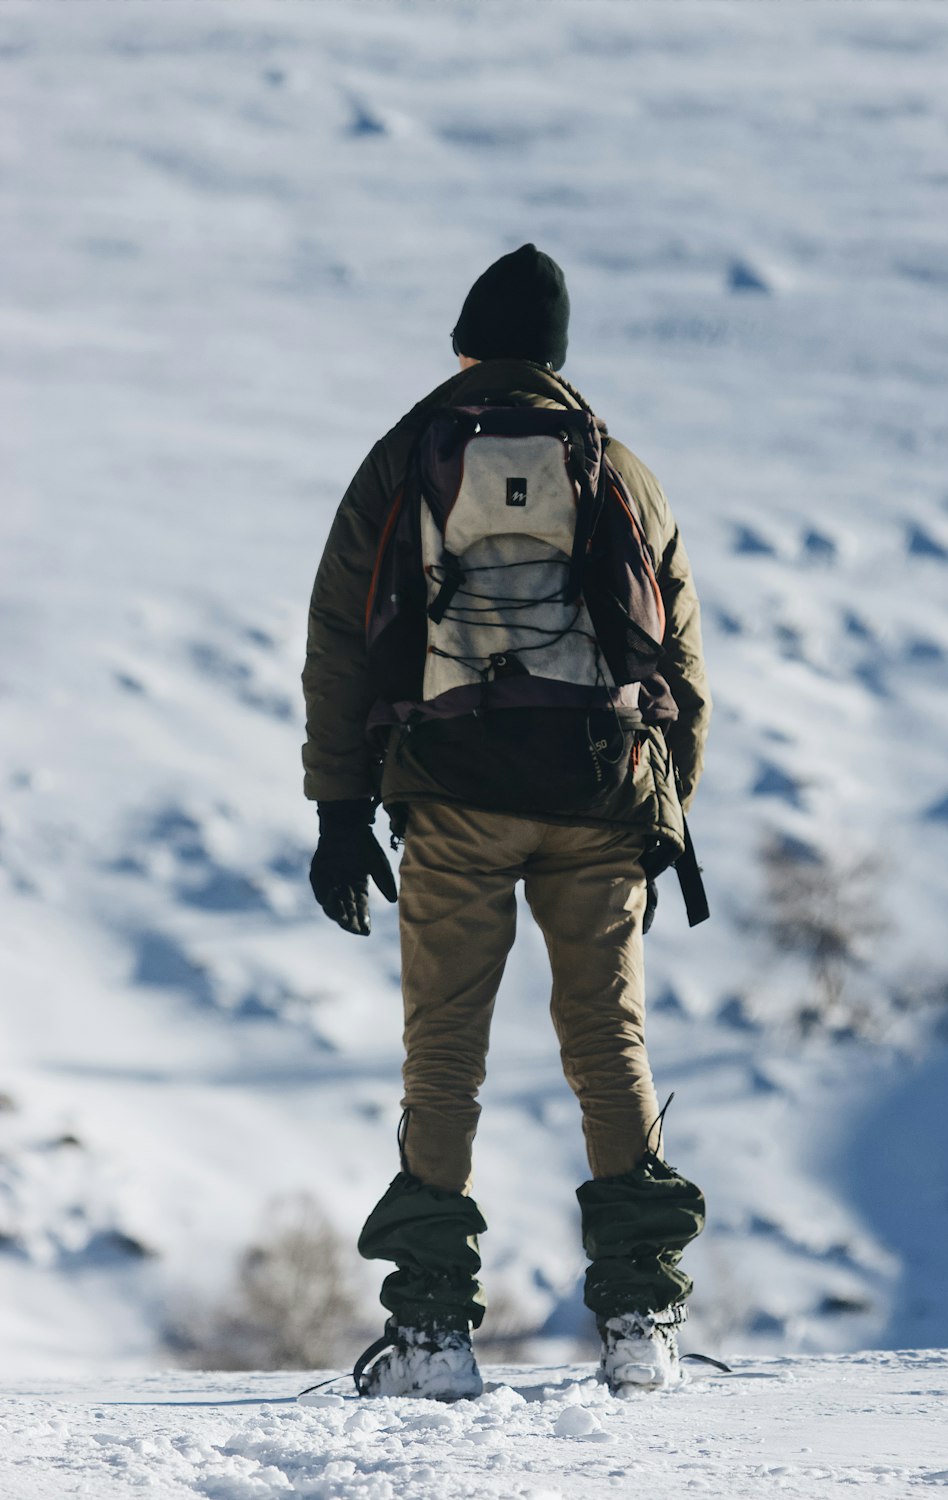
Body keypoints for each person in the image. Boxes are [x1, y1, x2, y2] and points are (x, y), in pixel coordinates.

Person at [302, 244, 711, 1399]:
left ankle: (433, 1335)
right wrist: (663, 797)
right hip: (597, 788)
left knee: (445, 1056)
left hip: (450, 791)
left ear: (465, 346)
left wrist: (340, 811)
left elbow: (339, 642)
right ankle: (638, 1322)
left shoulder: (403, 460)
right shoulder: (615, 467)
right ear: (560, 357)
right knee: (607, 1046)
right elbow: (677, 652)